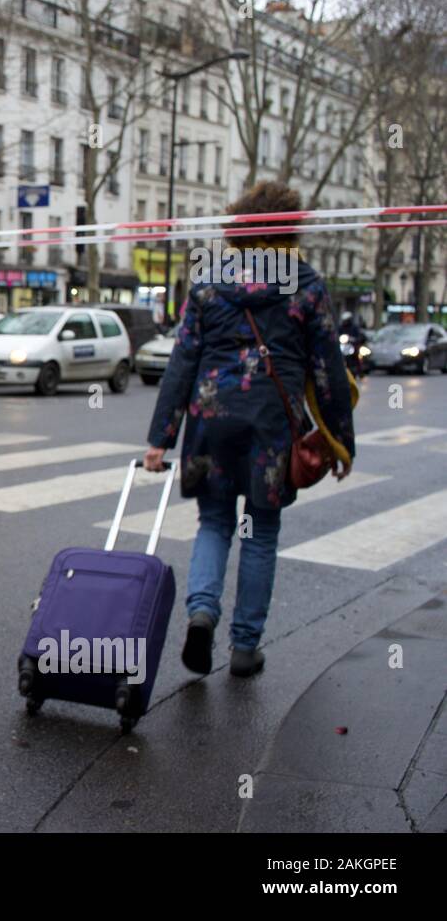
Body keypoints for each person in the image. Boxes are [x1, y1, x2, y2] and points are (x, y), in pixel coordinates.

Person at [143, 181, 355, 678]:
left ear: (236, 230)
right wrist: (339, 441)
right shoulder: (306, 284)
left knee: (214, 522)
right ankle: (245, 647)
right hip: (271, 427)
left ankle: (201, 613)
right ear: (291, 229)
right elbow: (326, 370)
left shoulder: (208, 282)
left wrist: (160, 438)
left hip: (211, 420)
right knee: (260, 533)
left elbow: (182, 363)